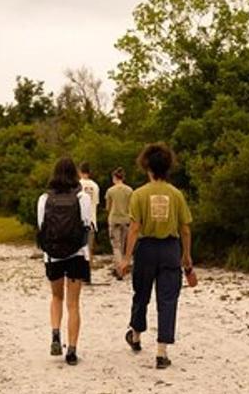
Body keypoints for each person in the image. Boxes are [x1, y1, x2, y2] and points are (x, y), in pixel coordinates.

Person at [116, 143, 193, 370]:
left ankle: (136, 336)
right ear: (168, 166)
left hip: (146, 250)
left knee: (141, 293)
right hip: (170, 249)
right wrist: (186, 256)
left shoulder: (139, 194)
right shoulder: (176, 194)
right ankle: (161, 352)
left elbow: (134, 228)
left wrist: (126, 258)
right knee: (168, 299)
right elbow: (185, 229)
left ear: (147, 167)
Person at [37, 157, 94, 366]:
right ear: (75, 174)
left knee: (56, 297)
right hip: (76, 255)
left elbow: (41, 225)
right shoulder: (82, 197)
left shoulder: (44, 198)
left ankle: (54, 333)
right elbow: (86, 225)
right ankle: (71, 349)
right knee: (73, 304)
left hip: (52, 255)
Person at [104, 168, 133, 279]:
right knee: (123, 244)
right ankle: (123, 267)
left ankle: (119, 270)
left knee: (116, 246)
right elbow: (131, 206)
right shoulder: (129, 190)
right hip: (126, 219)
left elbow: (108, 207)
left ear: (114, 178)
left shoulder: (110, 191)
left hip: (114, 219)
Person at [78, 163, 100, 282]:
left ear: (80, 171)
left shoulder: (78, 184)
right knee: (89, 249)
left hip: (80, 221)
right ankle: (88, 274)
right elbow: (95, 203)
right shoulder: (95, 186)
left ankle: (81, 274)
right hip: (92, 220)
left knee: (80, 249)